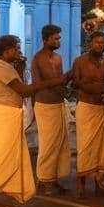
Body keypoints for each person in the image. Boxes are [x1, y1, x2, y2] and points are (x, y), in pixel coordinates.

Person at [0, 34, 66, 207]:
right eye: (16, 48)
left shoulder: (5, 66)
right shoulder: (1, 68)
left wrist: (20, 68)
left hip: (9, 114)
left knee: (12, 156)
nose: (19, 51)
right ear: (7, 51)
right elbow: (23, 91)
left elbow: (17, 86)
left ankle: (9, 191)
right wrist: (52, 82)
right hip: (4, 114)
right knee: (1, 156)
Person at [72, 31, 104, 197]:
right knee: (85, 146)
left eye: (102, 42)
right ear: (89, 43)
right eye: (97, 42)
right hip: (86, 107)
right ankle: (81, 186)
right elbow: (78, 83)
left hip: (100, 109)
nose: (100, 45)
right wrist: (101, 88)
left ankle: (102, 187)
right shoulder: (80, 61)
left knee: (103, 148)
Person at [32, 25, 72, 195]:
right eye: (55, 38)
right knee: (48, 143)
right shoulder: (39, 58)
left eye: (59, 38)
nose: (58, 41)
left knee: (59, 143)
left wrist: (66, 85)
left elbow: (60, 81)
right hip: (45, 104)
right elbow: (51, 80)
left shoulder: (58, 58)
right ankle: (44, 179)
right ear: (46, 39)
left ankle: (53, 179)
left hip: (58, 103)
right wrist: (67, 78)